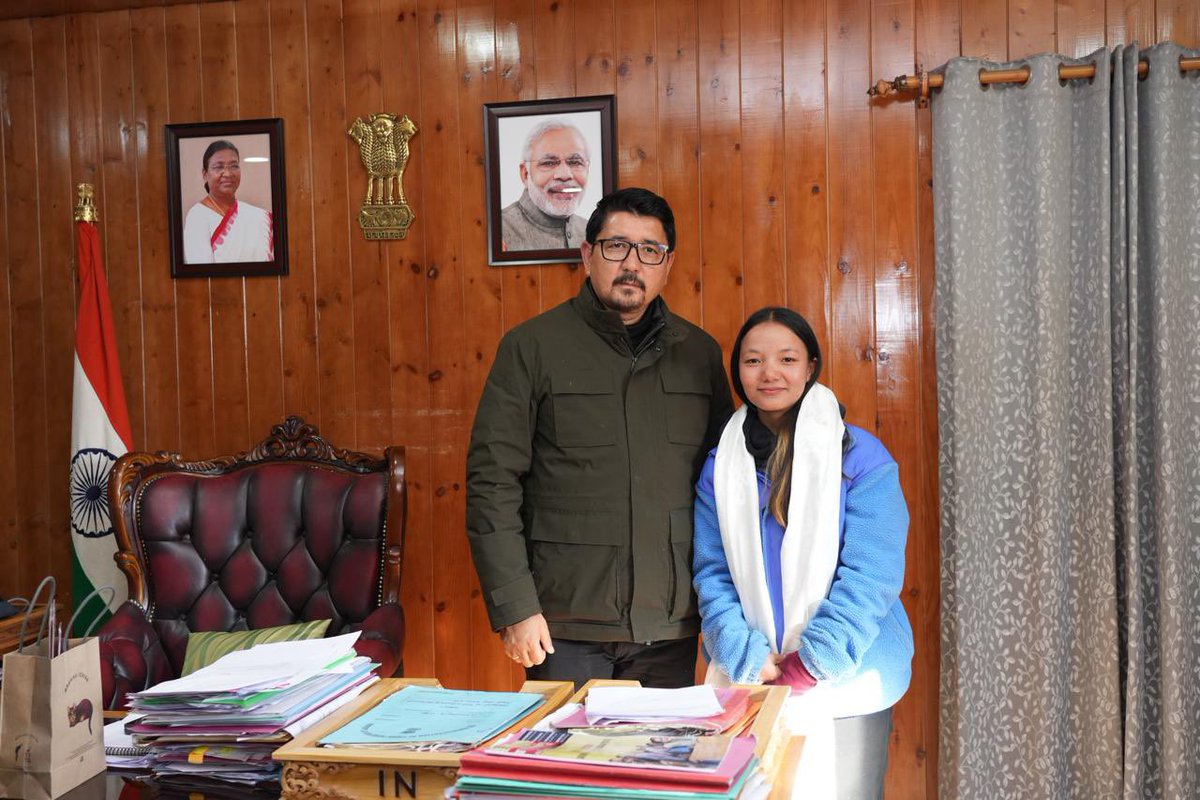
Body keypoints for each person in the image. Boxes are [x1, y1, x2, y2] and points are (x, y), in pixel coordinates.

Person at [468, 187, 733, 688]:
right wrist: (515, 607)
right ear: (587, 254)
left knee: (658, 763)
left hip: (671, 621)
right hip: (562, 622)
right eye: (616, 246)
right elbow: (492, 485)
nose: (632, 263)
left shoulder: (699, 354)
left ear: (667, 264)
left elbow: (728, 484)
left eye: (649, 251)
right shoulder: (531, 347)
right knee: (566, 765)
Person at [693, 307, 912, 799]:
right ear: (739, 373)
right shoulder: (720, 467)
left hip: (849, 679)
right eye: (753, 361)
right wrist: (750, 659)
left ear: (810, 366)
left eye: (786, 358)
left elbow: (870, 576)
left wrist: (811, 664)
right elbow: (713, 573)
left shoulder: (861, 457)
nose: (770, 372)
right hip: (750, 680)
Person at [500, 120, 590, 251]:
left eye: (575, 162)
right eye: (549, 163)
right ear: (525, 174)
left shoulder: (593, 233)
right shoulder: (497, 230)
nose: (564, 175)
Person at [182, 140, 273, 264]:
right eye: (219, 167)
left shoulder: (257, 216)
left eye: (234, 166)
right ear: (205, 175)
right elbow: (203, 273)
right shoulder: (197, 216)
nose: (228, 174)